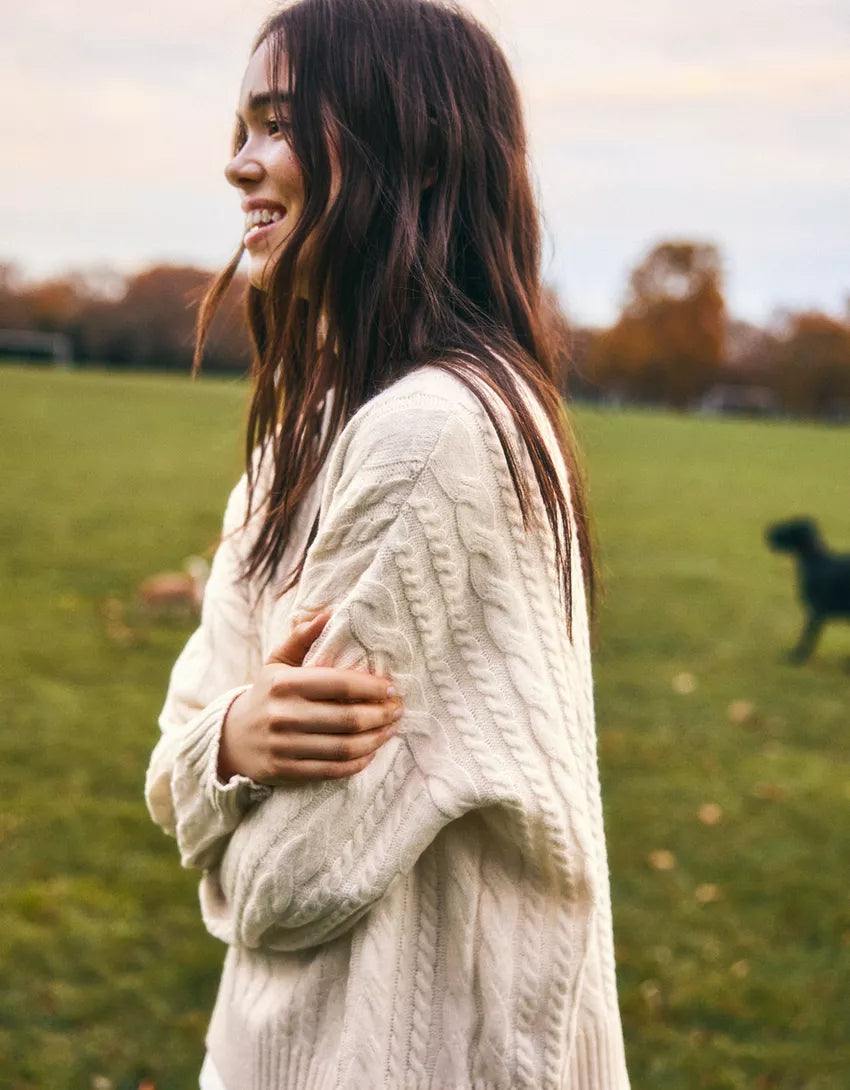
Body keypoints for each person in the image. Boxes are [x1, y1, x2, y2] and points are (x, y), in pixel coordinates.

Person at [144, 0, 631, 1086]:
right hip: (274, 1048)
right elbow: (174, 763)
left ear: (406, 151)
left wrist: (215, 801)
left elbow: (283, 888)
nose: (239, 166)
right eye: (241, 128)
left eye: (279, 124)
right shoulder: (298, 442)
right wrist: (230, 741)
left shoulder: (433, 434)